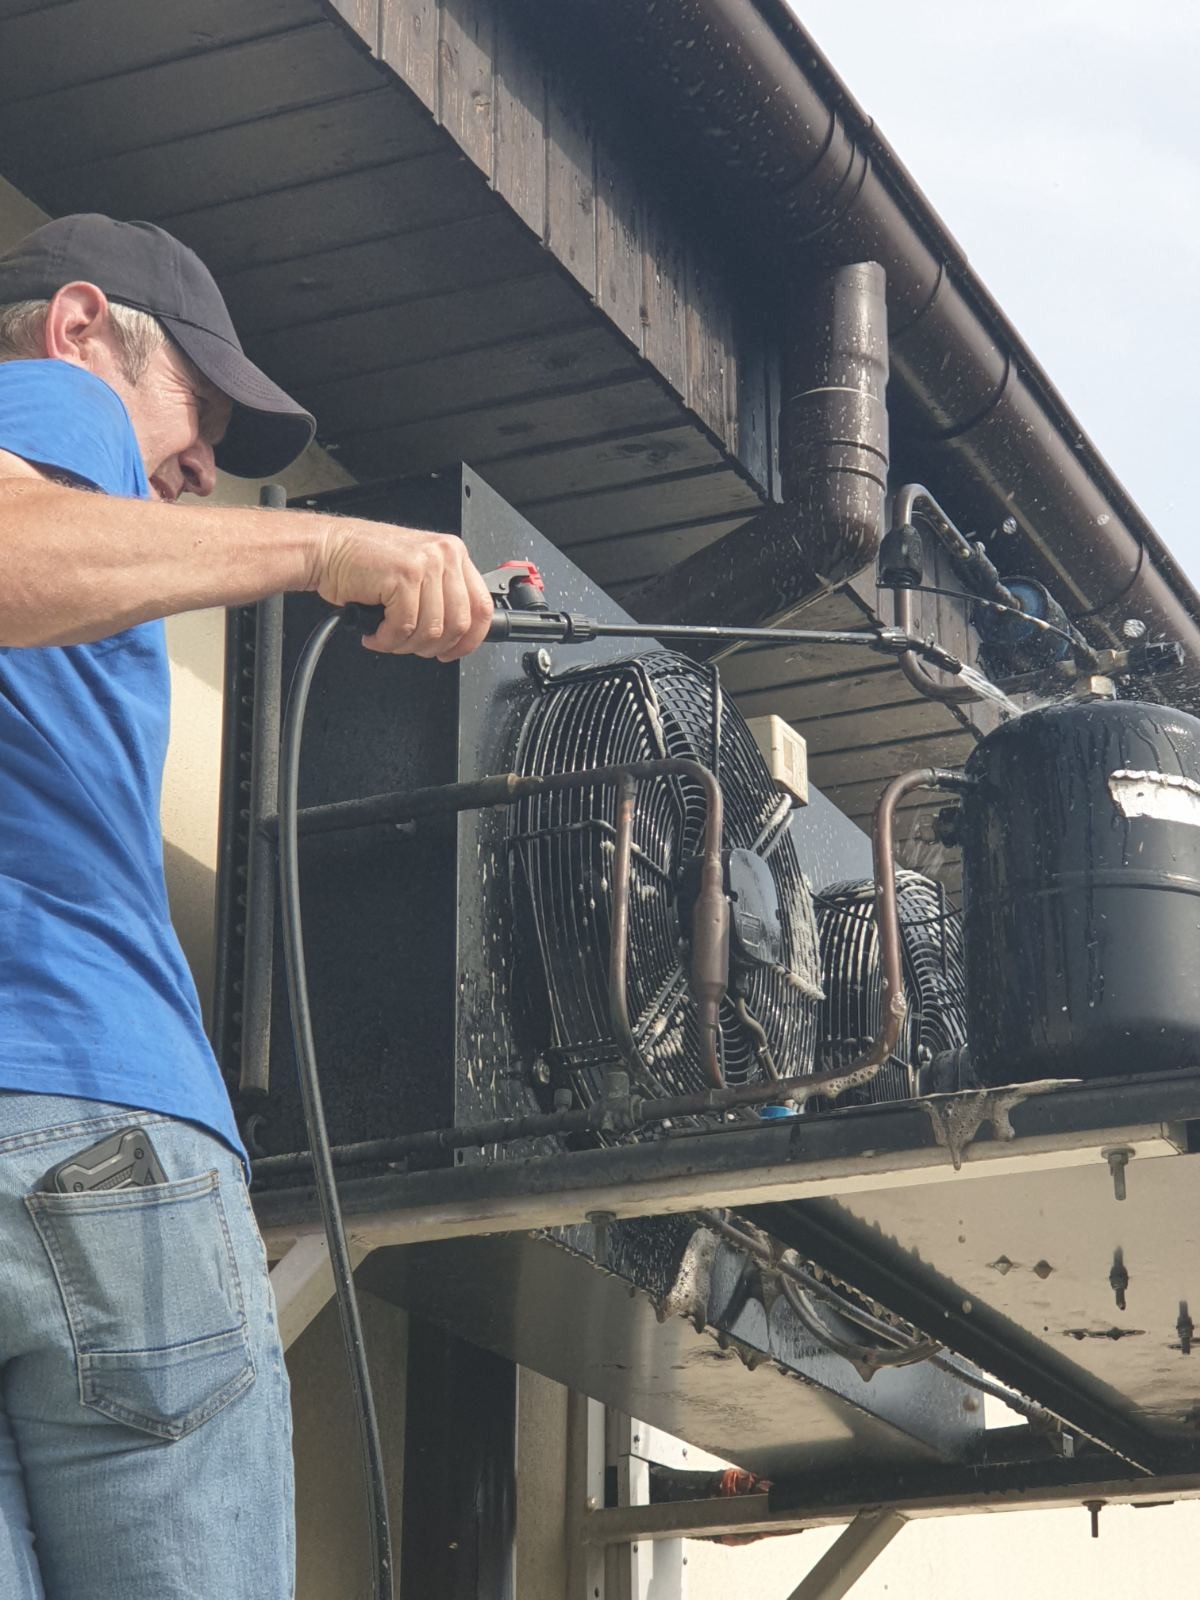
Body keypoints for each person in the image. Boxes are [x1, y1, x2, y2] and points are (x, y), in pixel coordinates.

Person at [0, 213, 495, 1600]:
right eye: (195, 408)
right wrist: (325, 545)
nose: (204, 462)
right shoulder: (47, 400)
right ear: (80, 325)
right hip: (85, 1118)